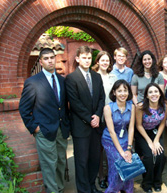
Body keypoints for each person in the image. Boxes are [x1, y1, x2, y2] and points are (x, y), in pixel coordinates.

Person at [19, 48, 70, 193]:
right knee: (49, 164)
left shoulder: (61, 80)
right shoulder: (33, 82)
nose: (50, 61)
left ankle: (60, 188)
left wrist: (66, 124)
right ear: (41, 62)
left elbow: (64, 105)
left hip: (61, 129)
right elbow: (24, 108)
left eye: (52, 57)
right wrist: (34, 127)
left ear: (55, 59)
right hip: (44, 131)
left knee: (60, 161)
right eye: (46, 58)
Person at [65, 46, 105, 193]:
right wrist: (90, 119)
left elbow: (102, 98)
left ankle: (91, 186)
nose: (87, 60)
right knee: (82, 161)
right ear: (77, 59)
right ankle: (83, 190)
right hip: (81, 126)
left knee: (94, 159)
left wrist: (98, 115)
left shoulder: (97, 76)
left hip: (96, 126)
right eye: (84, 57)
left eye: (89, 58)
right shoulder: (71, 78)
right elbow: (74, 103)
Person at [101, 79, 135, 193]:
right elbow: (111, 132)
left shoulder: (132, 107)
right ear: (114, 92)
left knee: (128, 161)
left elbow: (130, 128)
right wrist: (121, 152)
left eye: (125, 90)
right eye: (119, 91)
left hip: (125, 138)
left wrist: (129, 149)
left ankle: (126, 188)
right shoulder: (108, 108)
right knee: (118, 161)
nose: (123, 94)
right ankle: (114, 189)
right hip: (110, 139)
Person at [135, 83, 167, 193]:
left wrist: (156, 140)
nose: (153, 94)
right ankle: (146, 183)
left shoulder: (165, 104)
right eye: (150, 92)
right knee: (149, 156)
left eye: (156, 91)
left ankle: (157, 182)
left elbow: (162, 123)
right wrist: (150, 142)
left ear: (160, 93)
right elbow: (138, 125)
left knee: (161, 155)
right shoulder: (140, 107)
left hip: (155, 132)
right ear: (147, 95)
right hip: (142, 133)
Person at [92, 51, 118, 189]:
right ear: (97, 62)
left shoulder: (113, 77)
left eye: (107, 60)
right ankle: (101, 176)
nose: (105, 62)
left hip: (112, 117)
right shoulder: (93, 76)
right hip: (99, 117)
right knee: (100, 149)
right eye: (102, 60)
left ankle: (110, 174)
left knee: (111, 147)